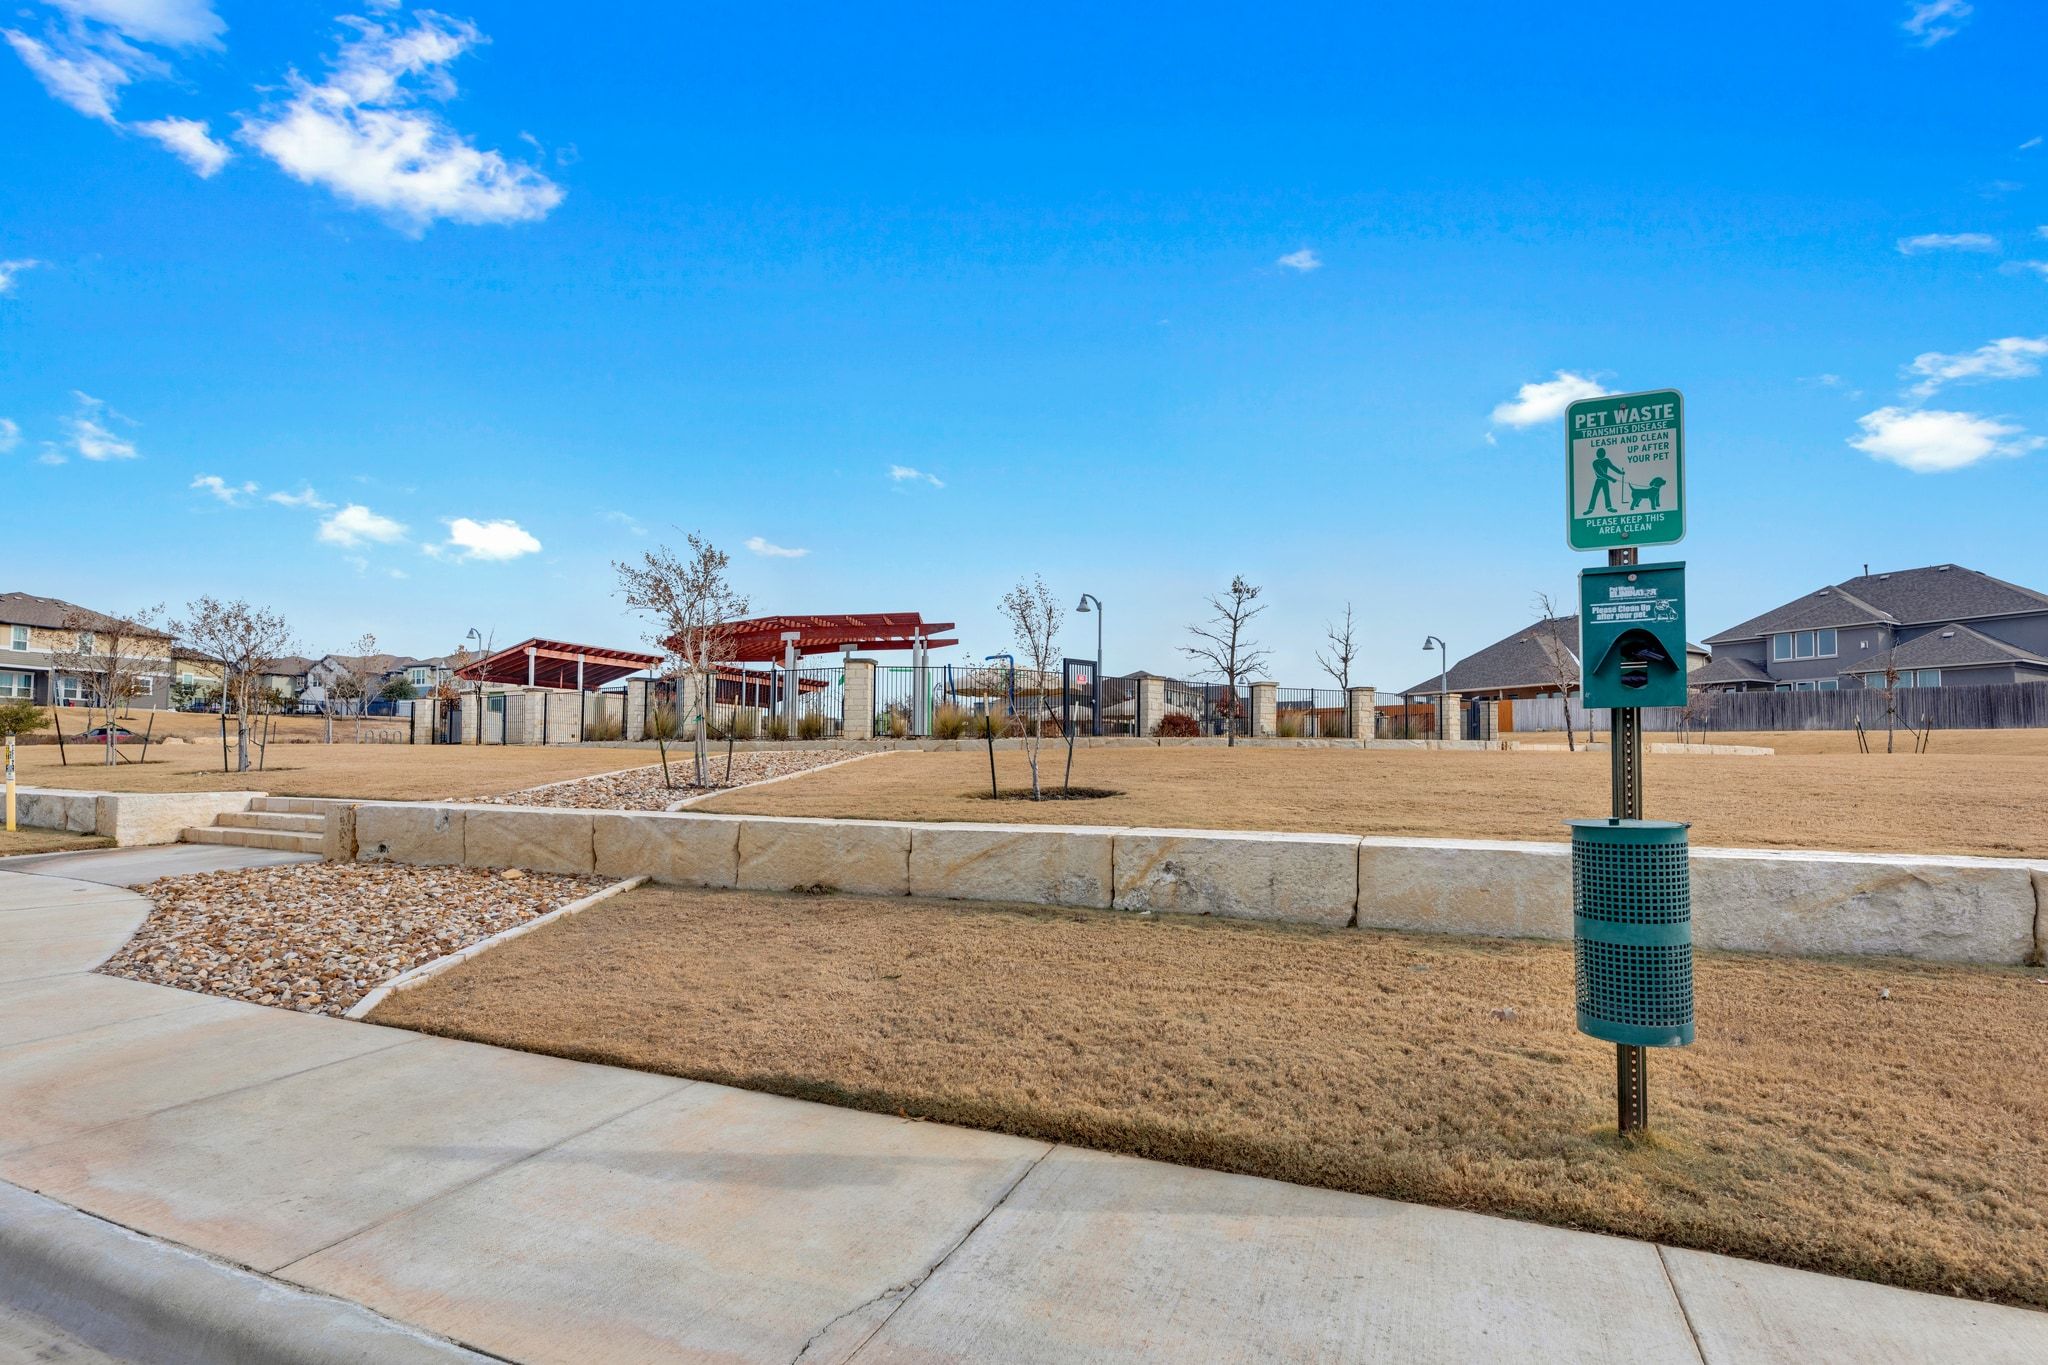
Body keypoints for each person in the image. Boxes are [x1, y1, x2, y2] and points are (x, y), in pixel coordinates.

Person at [1582, 446, 1622, 515]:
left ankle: (1609, 507)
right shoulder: (1595, 462)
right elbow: (1600, 473)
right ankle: (1590, 509)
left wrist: (1620, 472)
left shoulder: (1606, 460)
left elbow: (1612, 467)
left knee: (1607, 494)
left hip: (1605, 481)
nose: (1600, 454)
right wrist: (1612, 479)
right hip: (1599, 480)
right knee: (1594, 494)